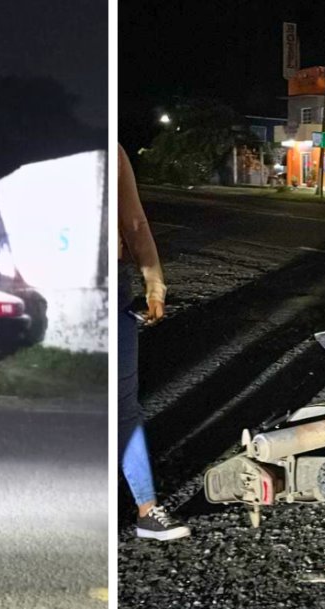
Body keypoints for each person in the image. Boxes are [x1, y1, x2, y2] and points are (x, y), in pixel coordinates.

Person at [118, 143, 190, 541]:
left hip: (112, 289)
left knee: (123, 407)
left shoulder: (113, 152)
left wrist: (155, 284)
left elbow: (135, 222)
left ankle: (147, 509)